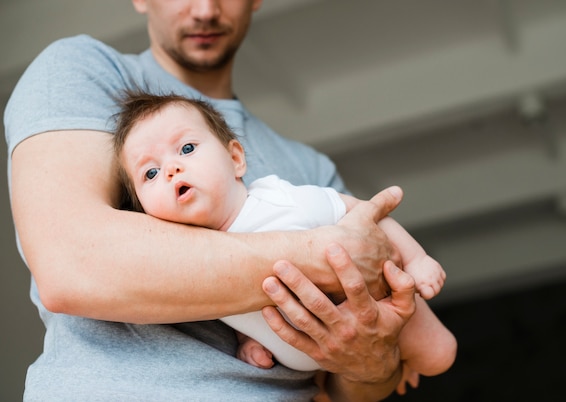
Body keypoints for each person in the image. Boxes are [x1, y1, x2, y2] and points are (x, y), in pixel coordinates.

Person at [4, 0, 456, 400]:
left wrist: (370, 366)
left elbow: (346, 389)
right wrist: (322, 254)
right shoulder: (83, 70)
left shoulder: (310, 169)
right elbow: (73, 265)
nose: (205, 10)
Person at [112, 90, 454, 386]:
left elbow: (366, 215)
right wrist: (247, 339)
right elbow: (237, 308)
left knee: (438, 356)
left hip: (379, 305)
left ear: (235, 159)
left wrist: (416, 258)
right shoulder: (182, 261)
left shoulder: (280, 199)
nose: (171, 169)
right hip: (325, 363)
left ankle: (406, 356)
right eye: (151, 172)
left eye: (186, 148)